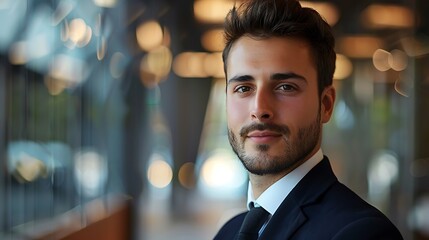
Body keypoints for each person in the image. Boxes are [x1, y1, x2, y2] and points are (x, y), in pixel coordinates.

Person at [213, 0, 403, 239]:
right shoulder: (228, 232)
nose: (259, 109)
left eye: (285, 87)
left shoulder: (361, 233)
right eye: (243, 88)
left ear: (326, 105)